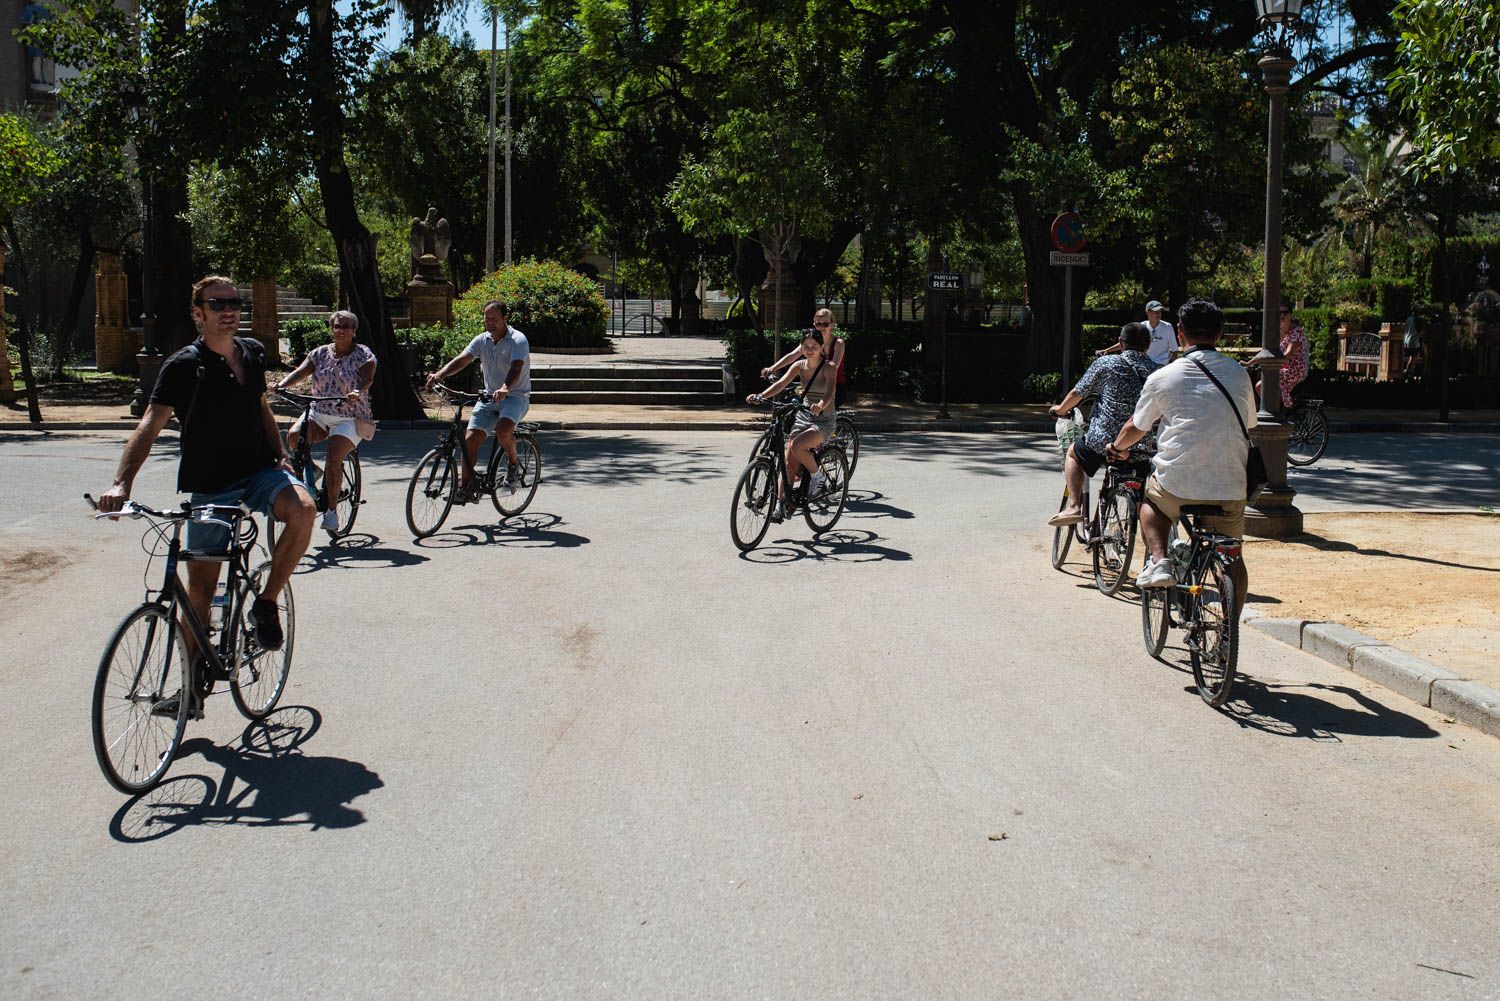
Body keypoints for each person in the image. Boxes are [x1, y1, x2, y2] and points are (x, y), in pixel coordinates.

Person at [97, 275, 316, 715]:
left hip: (259, 472)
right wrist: (122, 483)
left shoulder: (252, 352)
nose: (229, 309)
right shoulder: (182, 366)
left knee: (305, 510)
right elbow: (150, 424)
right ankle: (189, 688)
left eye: (234, 301)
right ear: (198, 313)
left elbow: (261, 408)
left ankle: (267, 603)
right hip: (211, 484)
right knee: (199, 591)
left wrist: (281, 457)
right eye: (217, 303)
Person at [1106, 297, 1252, 612]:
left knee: (1151, 506)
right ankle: (1228, 636)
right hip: (1230, 485)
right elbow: (1250, 423)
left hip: (1176, 484)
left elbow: (1137, 426)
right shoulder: (1239, 374)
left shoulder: (1163, 377)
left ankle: (1159, 562)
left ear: (1181, 333)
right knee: (1233, 558)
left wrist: (1117, 448)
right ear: (1220, 334)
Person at [1047, 322, 1159, 526]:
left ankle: (1074, 506)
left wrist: (1060, 410)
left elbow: (1078, 393)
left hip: (1103, 441)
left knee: (1073, 453)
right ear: (1148, 345)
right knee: (1142, 495)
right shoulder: (1157, 370)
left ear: (1120, 343)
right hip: (1140, 445)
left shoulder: (1106, 363)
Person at [275, 310, 377, 535]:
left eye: (346, 326)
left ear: (354, 331)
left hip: (349, 416)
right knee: (294, 437)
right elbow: (300, 372)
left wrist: (356, 391)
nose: (341, 330)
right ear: (332, 328)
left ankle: (331, 512)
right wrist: (280, 385)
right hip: (319, 412)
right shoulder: (319, 354)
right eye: (337, 326)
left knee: (334, 454)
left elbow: (367, 377)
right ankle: (312, 469)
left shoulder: (363, 354)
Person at [425, 300, 530, 499]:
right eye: (486, 318)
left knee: (503, 430)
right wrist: (440, 375)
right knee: (469, 440)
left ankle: (513, 464)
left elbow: (516, 368)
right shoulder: (482, 340)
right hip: (488, 396)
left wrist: (505, 388)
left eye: (494, 319)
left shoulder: (518, 340)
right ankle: (465, 489)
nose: (489, 322)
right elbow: (463, 359)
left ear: (504, 318)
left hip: (515, 396)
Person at [748, 331, 835, 520]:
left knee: (797, 445)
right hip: (804, 417)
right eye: (805, 347)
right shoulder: (799, 365)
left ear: (822, 348)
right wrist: (761, 396)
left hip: (823, 419)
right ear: (801, 348)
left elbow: (829, 394)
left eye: (813, 347)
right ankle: (780, 505)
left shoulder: (829, 367)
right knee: (788, 462)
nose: (809, 350)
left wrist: (820, 406)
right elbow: (780, 384)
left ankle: (818, 477)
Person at [762, 308, 847, 407]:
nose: (821, 327)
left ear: (832, 325)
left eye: (825, 324)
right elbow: (792, 356)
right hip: (813, 386)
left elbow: (834, 368)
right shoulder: (810, 342)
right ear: (814, 325)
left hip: (833, 388)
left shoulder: (838, 343)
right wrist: (772, 368)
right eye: (818, 324)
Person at [1250, 301, 1308, 410]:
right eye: (1279, 312)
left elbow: (1289, 353)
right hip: (1283, 368)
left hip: (1296, 369)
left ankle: (1282, 409)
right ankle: (1279, 407)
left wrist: (1274, 361)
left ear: (1290, 314)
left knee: (1265, 381)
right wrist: (1249, 363)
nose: (1282, 315)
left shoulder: (1296, 331)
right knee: (1259, 382)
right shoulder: (1277, 332)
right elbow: (1267, 351)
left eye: (1285, 312)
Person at [1096, 300, 1174, 366]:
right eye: (1156, 311)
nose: (1158, 314)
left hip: (1162, 365)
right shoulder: (1141, 326)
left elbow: (1175, 350)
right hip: (1145, 364)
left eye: (1160, 311)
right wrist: (1107, 350)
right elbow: (1127, 342)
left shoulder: (1168, 327)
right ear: (1147, 312)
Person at [1403, 312, 1423, 378]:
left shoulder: (1408, 319)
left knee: (1413, 358)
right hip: (1413, 341)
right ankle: (1407, 372)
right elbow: (1419, 330)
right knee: (1414, 358)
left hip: (1407, 341)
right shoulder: (1416, 319)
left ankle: (1410, 373)